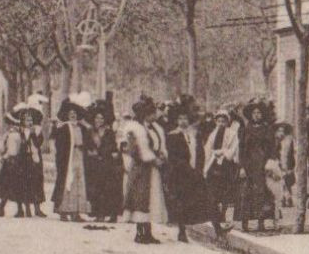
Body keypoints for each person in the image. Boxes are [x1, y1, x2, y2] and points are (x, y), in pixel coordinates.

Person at [162, 101, 220, 241]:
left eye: (185, 119)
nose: (183, 121)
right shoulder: (172, 136)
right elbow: (175, 158)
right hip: (181, 175)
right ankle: (182, 231)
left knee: (208, 199)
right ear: (176, 120)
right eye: (180, 119)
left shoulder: (195, 134)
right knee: (181, 203)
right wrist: (189, 170)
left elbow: (201, 153)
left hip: (196, 173)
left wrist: (199, 169)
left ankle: (218, 228)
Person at [120, 97, 168, 244]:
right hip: (141, 168)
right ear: (146, 114)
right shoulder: (136, 129)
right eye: (152, 113)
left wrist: (161, 155)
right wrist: (153, 159)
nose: (155, 115)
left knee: (151, 199)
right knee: (141, 198)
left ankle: (148, 231)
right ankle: (140, 232)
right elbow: (139, 150)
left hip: (152, 168)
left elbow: (158, 145)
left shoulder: (155, 128)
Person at [51, 95, 93, 221]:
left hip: (79, 155)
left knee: (78, 182)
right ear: (67, 115)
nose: (73, 115)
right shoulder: (64, 127)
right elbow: (59, 145)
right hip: (68, 157)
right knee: (67, 181)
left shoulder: (81, 128)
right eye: (70, 113)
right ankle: (63, 210)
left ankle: (76, 211)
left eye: (75, 113)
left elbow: (88, 140)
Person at [237, 101, 277, 232]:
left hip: (262, 165)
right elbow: (241, 149)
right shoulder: (245, 130)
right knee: (246, 192)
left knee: (262, 193)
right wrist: (242, 167)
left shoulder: (267, 129)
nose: (256, 115)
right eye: (254, 113)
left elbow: (272, 148)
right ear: (250, 115)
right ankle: (245, 222)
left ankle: (261, 222)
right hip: (248, 165)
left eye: (259, 112)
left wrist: (270, 162)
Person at [84, 100, 124, 223]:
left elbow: (112, 147)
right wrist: (90, 152)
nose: (99, 120)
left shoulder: (109, 132)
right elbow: (87, 146)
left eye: (101, 118)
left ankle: (112, 214)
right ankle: (98, 213)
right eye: (97, 118)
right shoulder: (90, 132)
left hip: (107, 163)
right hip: (94, 164)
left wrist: (103, 153)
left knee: (109, 189)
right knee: (96, 189)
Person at [203, 107, 242, 224]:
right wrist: (212, 155)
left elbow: (234, 148)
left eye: (223, 121)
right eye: (219, 121)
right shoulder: (213, 134)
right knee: (213, 190)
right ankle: (215, 214)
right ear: (216, 122)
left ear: (227, 122)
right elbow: (208, 149)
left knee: (225, 191)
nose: (221, 124)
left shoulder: (232, 134)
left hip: (226, 164)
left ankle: (223, 213)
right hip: (214, 163)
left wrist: (224, 152)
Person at [0, 110, 24, 218]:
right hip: (16, 163)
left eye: (8, 122)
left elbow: (12, 151)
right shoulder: (17, 133)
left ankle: (2, 209)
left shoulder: (13, 135)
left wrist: (3, 156)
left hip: (11, 163)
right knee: (14, 187)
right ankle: (17, 210)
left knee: (7, 186)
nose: (6, 125)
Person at [274, 122, 297, 208]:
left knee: (287, 182)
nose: (281, 132)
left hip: (287, 163)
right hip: (278, 163)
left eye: (282, 131)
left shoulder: (288, 141)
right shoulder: (276, 140)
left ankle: (288, 198)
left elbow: (291, 154)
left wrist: (291, 167)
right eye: (279, 130)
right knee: (281, 182)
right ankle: (283, 198)